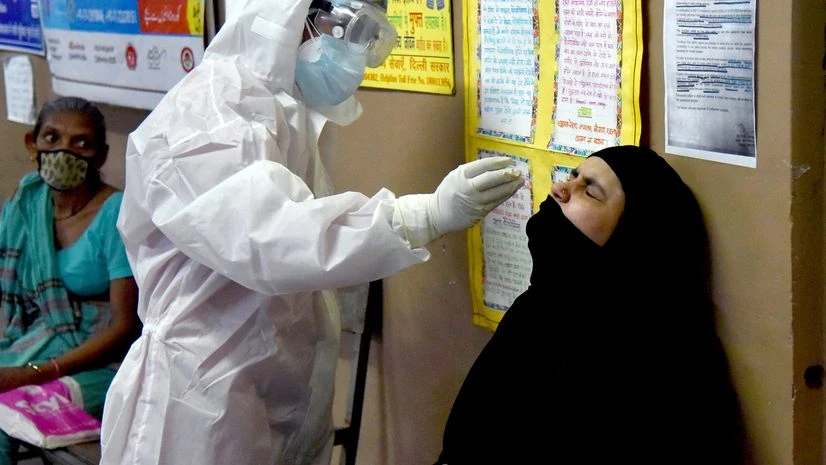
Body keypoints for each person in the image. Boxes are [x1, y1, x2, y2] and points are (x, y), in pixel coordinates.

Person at [99, 1, 524, 465]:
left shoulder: (281, 109)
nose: (356, 53)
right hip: (197, 399)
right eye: (350, 29)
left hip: (269, 386)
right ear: (291, 13)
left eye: (369, 37)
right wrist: (421, 216)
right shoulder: (212, 110)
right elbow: (270, 236)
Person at [434, 145, 744, 465]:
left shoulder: (666, 361)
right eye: (573, 176)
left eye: (590, 191)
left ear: (633, 235)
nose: (559, 188)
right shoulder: (541, 309)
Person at [0, 96, 139, 464]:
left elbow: (125, 327)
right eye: (52, 138)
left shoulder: (115, 214)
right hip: (37, 342)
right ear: (33, 144)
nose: (64, 152)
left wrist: (34, 373)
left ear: (100, 156)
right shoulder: (29, 201)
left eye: (82, 143)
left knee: (2, 416)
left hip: (104, 363)